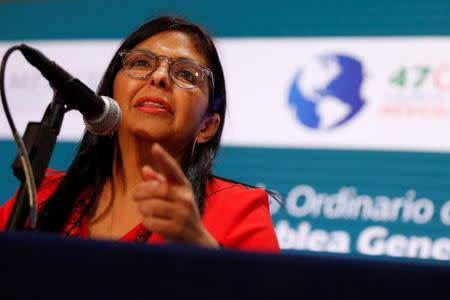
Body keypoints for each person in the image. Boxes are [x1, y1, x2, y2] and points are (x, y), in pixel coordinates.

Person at [0, 15, 280, 252]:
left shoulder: (238, 209)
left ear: (207, 126)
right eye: (141, 63)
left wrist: (197, 243)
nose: (158, 76)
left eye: (185, 74)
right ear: (110, 97)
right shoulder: (43, 193)